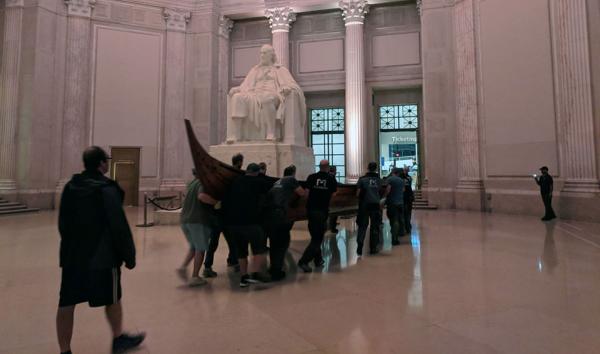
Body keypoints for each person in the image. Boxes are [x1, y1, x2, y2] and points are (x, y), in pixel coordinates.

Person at [57, 146, 145, 354]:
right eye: (107, 160)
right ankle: (118, 338)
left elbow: (63, 223)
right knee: (112, 298)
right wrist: (129, 255)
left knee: (67, 302)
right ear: (101, 164)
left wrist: (72, 246)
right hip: (103, 257)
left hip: (73, 256)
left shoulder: (71, 187)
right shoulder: (107, 189)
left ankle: (64, 350)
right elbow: (119, 226)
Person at [227, 44, 307, 142]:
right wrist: (237, 89)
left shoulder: (280, 69)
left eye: (264, 53)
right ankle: (236, 134)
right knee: (237, 98)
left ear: (271, 55)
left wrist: (287, 87)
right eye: (261, 53)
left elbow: (293, 85)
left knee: (266, 98)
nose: (262, 55)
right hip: (254, 95)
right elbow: (245, 85)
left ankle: (271, 132)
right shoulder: (255, 70)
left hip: (274, 94)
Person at [222, 163, 272, 287]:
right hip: (251, 222)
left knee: (241, 252)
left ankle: (244, 278)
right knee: (259, 249)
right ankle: (255, 274)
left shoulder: (235, 181)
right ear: (256, 172)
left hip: (234, 224)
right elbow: (270, 190)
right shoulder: (259, 181)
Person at [203, 154, 243, 275]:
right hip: (222, 216)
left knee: (227, 242)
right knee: (224, 242)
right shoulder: (236, 177)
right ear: (240, 162)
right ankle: (211, 266)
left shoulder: (225, 178)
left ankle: (228, 261)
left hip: (221, 215)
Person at [177, 169, 218, 286]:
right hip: (198, 221)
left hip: (185, 220)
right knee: (200, 248)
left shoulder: (191, 184)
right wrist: (215, 201)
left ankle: (183, 268)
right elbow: (201, 196)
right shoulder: (202, 184)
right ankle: (195, 276)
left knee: (194, 247)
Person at [264, 165, 305, 280]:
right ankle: (277, 271)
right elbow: (302, 193)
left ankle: (273, 267)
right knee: (282, 242)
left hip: (270, 215)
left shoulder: (277, 182)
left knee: (274, 242)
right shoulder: (291, 180)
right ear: (293, 173)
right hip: (281, 215)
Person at [298, 160, 338, 273]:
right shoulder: (331, 179)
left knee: (315, 235)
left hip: (311, 210)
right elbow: (334, 194)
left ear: (319, 166)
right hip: (321, 211)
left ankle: (318, 260)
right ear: (328, 167)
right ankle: (303, 261)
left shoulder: (311, 177)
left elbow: (306, 193)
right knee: (317, 239)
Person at [356, 162, 384, 255]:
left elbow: (358, 193)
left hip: (364, 205)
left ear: (367, 168)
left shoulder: (362, 179)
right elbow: (380, 191)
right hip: (375, 205)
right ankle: (373, 248)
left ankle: (360, 243)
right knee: (374, 227)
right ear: (376, 168)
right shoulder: (379, 180)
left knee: (362, 226)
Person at [385, 168, 406, 245]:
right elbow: (403, 190)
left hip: (392, 203)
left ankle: (394, 237)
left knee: (394, 220)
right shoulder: (401, 180)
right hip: (400, 203)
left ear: (393, 172)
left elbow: (388, 190)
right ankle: (396, 236)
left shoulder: (390, 179)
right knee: (398, 219)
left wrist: (385, 197)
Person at [327, 165, 340, 233]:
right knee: (334, 213)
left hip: (326, 197)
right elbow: (335, 185)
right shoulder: (331, 177)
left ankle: (330, 226)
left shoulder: (327, 176)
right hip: (331, 198)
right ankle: (332, 227)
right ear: (334, 170)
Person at [403, 166, 415, 233]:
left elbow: (409, 187)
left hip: (406, 197)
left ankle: (407, 225)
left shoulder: (407, 178)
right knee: (407, 212)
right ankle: (407, 225)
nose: (405, 171)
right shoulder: (409, 178)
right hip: (408, 197)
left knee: (407, 212)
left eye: (406, 170)